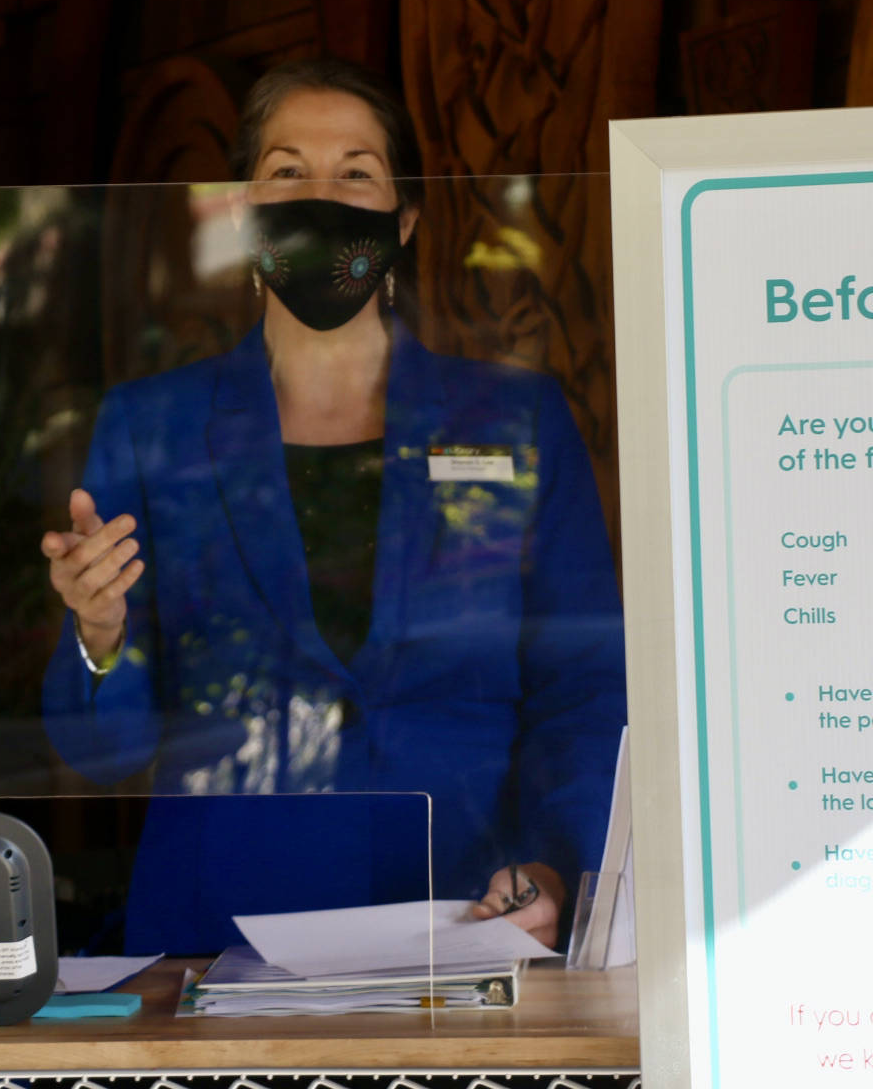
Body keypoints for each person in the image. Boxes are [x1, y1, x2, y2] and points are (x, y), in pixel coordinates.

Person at [40, 57, 625, 954]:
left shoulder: (516, 421)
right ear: (240, 209)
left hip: (465, 915)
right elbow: (102, 755)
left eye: (355, 172)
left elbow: (582, 688)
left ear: (406, 216)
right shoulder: (153, 425)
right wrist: (100, 636)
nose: (320, 196)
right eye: (286, 172)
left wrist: (554, 865)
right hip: (219, 933)